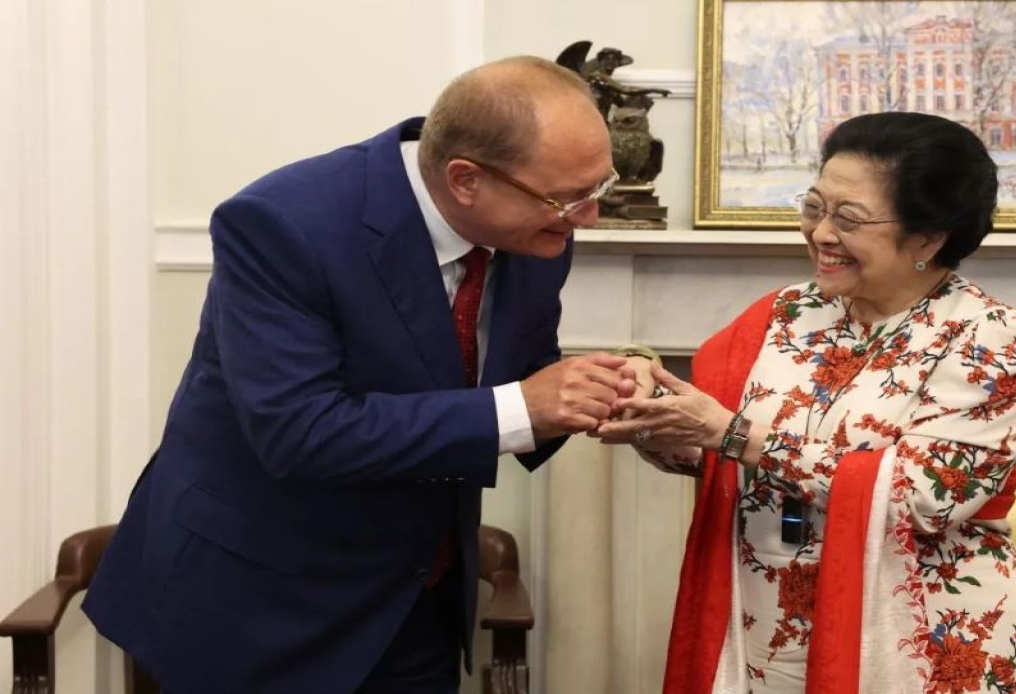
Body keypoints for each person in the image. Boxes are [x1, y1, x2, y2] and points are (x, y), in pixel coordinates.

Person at [83, 56, 634, 693]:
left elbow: (524, 377)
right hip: (254, 608)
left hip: (416, 603)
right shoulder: (284, 224)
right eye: (569, 198)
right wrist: (523, 407)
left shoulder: (537, 236)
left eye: (598, 188)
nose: (588, 218)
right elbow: (300, 431)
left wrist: (610, 394)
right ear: (465, 181)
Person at [597, 112, 1016, 693]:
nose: (820, 233)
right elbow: (710, 445)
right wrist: (652, 411)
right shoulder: (785, 313)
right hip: (765, 629)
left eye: (849, 219)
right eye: (814, 208)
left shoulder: (990, 335)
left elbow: (924, 497)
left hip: (923, 637)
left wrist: (733, 435)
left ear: (928, 236)